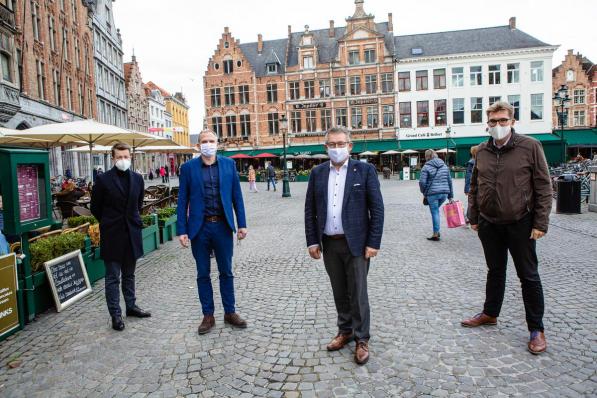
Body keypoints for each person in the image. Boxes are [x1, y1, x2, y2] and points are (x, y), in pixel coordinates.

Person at [462, 101, 552, 355]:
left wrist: (540, 222)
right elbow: (475, 186)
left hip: (521, 221)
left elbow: (544, 187)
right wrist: (474, 216)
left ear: (512, 121)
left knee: (529, 276)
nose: (498, 126)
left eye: (503, 120)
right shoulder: (482, 151)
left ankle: (536, 329)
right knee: (495, 270)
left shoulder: (530, 146)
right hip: (490, 222)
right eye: (493, 122)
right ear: (487, 124)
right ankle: (490, 313)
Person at [304, 126, 384, 365]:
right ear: (325, 147)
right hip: (329, 242)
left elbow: (377, 209)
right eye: (332, 144)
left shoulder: (365, 170)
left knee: (358, 292)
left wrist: (373, 242)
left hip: (358, 244)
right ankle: (345, 330)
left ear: (350, 146)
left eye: (341, 144)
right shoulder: (317, 173)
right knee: (339, 290)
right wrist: (312, 241)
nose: (337, 148)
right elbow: (310, 211)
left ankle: (361, 338)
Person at [177, 129, 248, 335]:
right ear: (198, 146)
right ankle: (208, 315)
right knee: (202, 273)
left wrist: (241, 224)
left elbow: (237, 196)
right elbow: (182, 201)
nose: (208, 144)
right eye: (204, 141)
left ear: (218, 143)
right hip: (199, 228)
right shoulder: (188, 168)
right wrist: (182, 230)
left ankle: (230, 311)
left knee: (226, 271)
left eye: (211, 141)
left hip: (222, 226)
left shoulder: (229, 165)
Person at [90, 142, 151, 331]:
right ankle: (115, 314)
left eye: (126, 157)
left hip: (131, 233)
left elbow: (138, 204)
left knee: (130, 275)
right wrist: (109, 222)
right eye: (119, 157)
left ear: (130, 157)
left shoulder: (138, 179)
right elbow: (95, 207)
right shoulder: (103, 180)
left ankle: (131, 306)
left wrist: (131, 221)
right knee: (112, 277)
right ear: (113, 158)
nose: (123, 160)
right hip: (112, 234)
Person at [419, 149, 453, 241]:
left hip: (432, 194)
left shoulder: (426, 167)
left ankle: (436, 233)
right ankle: (436, 231)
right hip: (444, 194)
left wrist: (424, 192)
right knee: (436, 211)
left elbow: (422, 182)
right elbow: (449, 181)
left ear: (427, 157)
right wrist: (450, 196)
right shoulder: (444, 166)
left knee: (435, 212)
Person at [464, 146, 478, 223]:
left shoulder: (473, 162)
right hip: (476, 187)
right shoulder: (473, 162)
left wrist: (466, 189)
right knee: (473, 202)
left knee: (472, 202)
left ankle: (468, 217)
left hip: (475, 187)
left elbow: (468, 177)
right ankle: (467, 217)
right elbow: (468, 177)